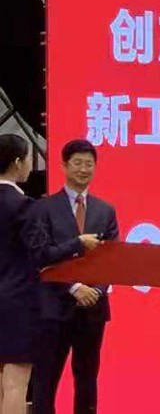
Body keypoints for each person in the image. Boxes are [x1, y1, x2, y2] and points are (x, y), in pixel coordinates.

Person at [25, 139, 118, 414]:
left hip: (93, 309)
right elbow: (41, 255)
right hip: (53, 308)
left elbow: (112, 259)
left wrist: (97, 290)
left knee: (87, 379)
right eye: (77, 163)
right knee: (46, 379)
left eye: (89, 164)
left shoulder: (105, 210)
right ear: (64, 166)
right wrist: (75, 287)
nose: (83, 169)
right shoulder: (43, 208)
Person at [0, 134, 37, 414]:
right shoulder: (23, 205)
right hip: (15, 302)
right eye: (28, 159)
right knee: (15, 384)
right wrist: (77, 243)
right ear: (17, 162)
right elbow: (41, 253)